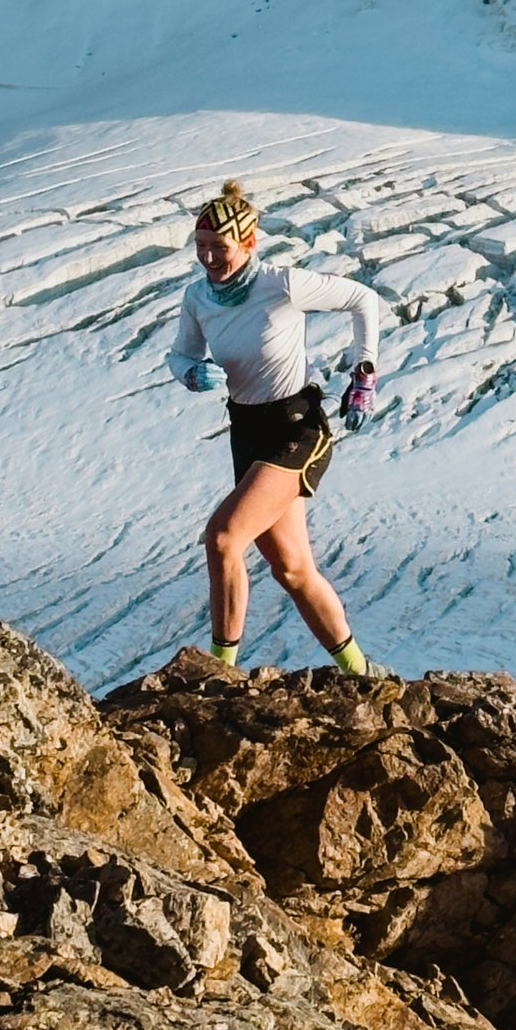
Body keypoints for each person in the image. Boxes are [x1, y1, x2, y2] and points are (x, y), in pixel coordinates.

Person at [166, 178, 386, 676]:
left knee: (223, 538)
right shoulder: (198, 298)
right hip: (246, 431)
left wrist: (364, 371)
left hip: (297, 426)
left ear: (248, 243)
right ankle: (362, 674)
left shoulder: (280, 284)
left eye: (218, 248)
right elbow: (180, 353)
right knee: (292, 569)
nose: (208, 259)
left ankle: (220, 670)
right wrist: (190, 373)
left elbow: (363, 299)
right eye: (200, 248)